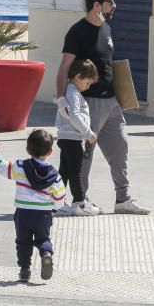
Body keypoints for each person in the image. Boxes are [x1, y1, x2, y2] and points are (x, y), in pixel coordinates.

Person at [57, 0, 149, 215]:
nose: (114, 5)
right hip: (89, 103)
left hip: (111, 102)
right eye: (110, 2)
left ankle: (123, 199)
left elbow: (108, 65)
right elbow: (65, 67)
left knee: (121, 147)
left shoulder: (107, 29)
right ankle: (81, 198)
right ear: (96, 5)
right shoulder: (77, 31)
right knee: (85, 153)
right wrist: (61, 99)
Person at [0, 129, 66, 282]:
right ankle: (46, 253)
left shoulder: (20, 166)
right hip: (43, 214)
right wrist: (55, 208)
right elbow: (60, 196)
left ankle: (24, 270)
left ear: (27, 149)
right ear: (50, 151)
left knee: (23, 241)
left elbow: (3, 169)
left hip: (23, 213)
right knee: (43, 238)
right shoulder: (55, 175)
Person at [56, 58, 99, 216]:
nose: (87, 87)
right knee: (76, 171)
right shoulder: (73, 91)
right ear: (79, 76)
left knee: (65, 172)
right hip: (72, 138)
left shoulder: (70, 90)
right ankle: (80, 203)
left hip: (67, 137)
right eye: (87, 83)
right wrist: (88, 133)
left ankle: (56, 203)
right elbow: (74, 115)